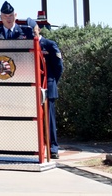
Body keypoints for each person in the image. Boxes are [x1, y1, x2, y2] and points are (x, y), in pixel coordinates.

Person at [31, 19, 64, 158]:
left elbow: (58, 67)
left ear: (38, 29)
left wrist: (51, 82)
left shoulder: (49, 45)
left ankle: (53, 148)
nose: (32, 33)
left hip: (47, 87)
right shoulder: (26, 45)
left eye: (33, 30)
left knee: (49, 120)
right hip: (31, 88)